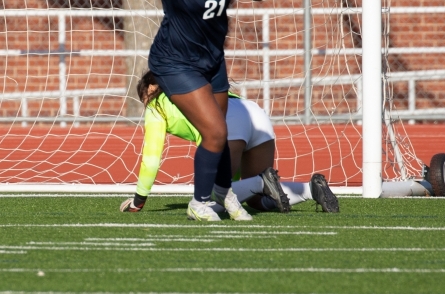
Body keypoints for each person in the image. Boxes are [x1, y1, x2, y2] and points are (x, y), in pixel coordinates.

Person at [132, 0, 264, 222]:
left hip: (212, 60)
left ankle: (224, 192)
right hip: (174, 62)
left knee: (220, 134)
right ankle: (199, 202)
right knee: (216, 132)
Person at [120, 71, 340, 215]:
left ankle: (262, 182)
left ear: (150, 89)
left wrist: (137, 201)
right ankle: (310, 189)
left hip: (229, 124)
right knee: (255, 201)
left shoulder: (156, 105)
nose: (145, 104)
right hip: (254, 114)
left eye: (143, 98)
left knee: (200, 207)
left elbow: (151, 159)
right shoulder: (192, 89)